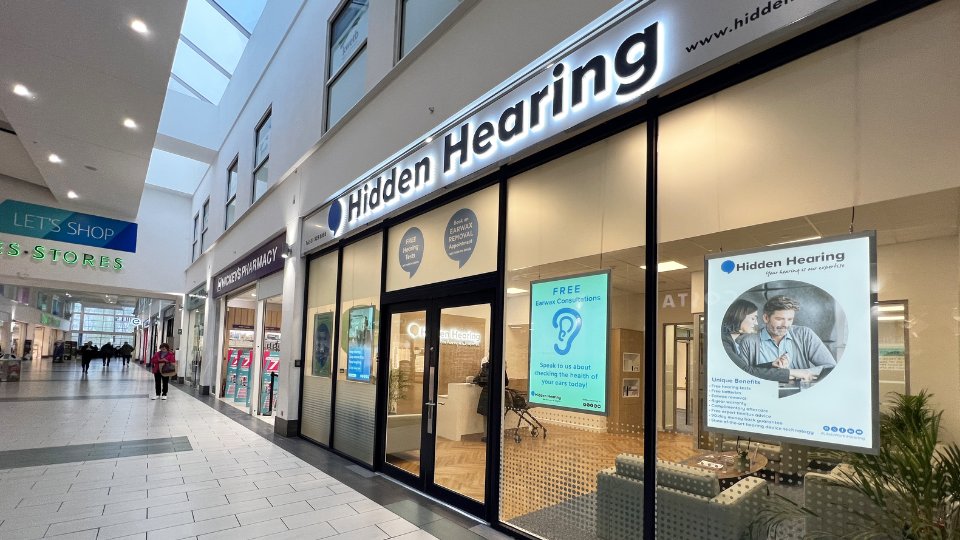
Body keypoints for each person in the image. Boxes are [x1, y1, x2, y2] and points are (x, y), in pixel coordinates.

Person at [737, 295, 837, 382]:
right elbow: (743, 376)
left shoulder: (805, 334)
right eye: (779, 319)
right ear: (766, 318)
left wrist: (801, 373)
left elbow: (830, 367)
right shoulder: (748, 342)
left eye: (790, 319)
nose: (785, 325)